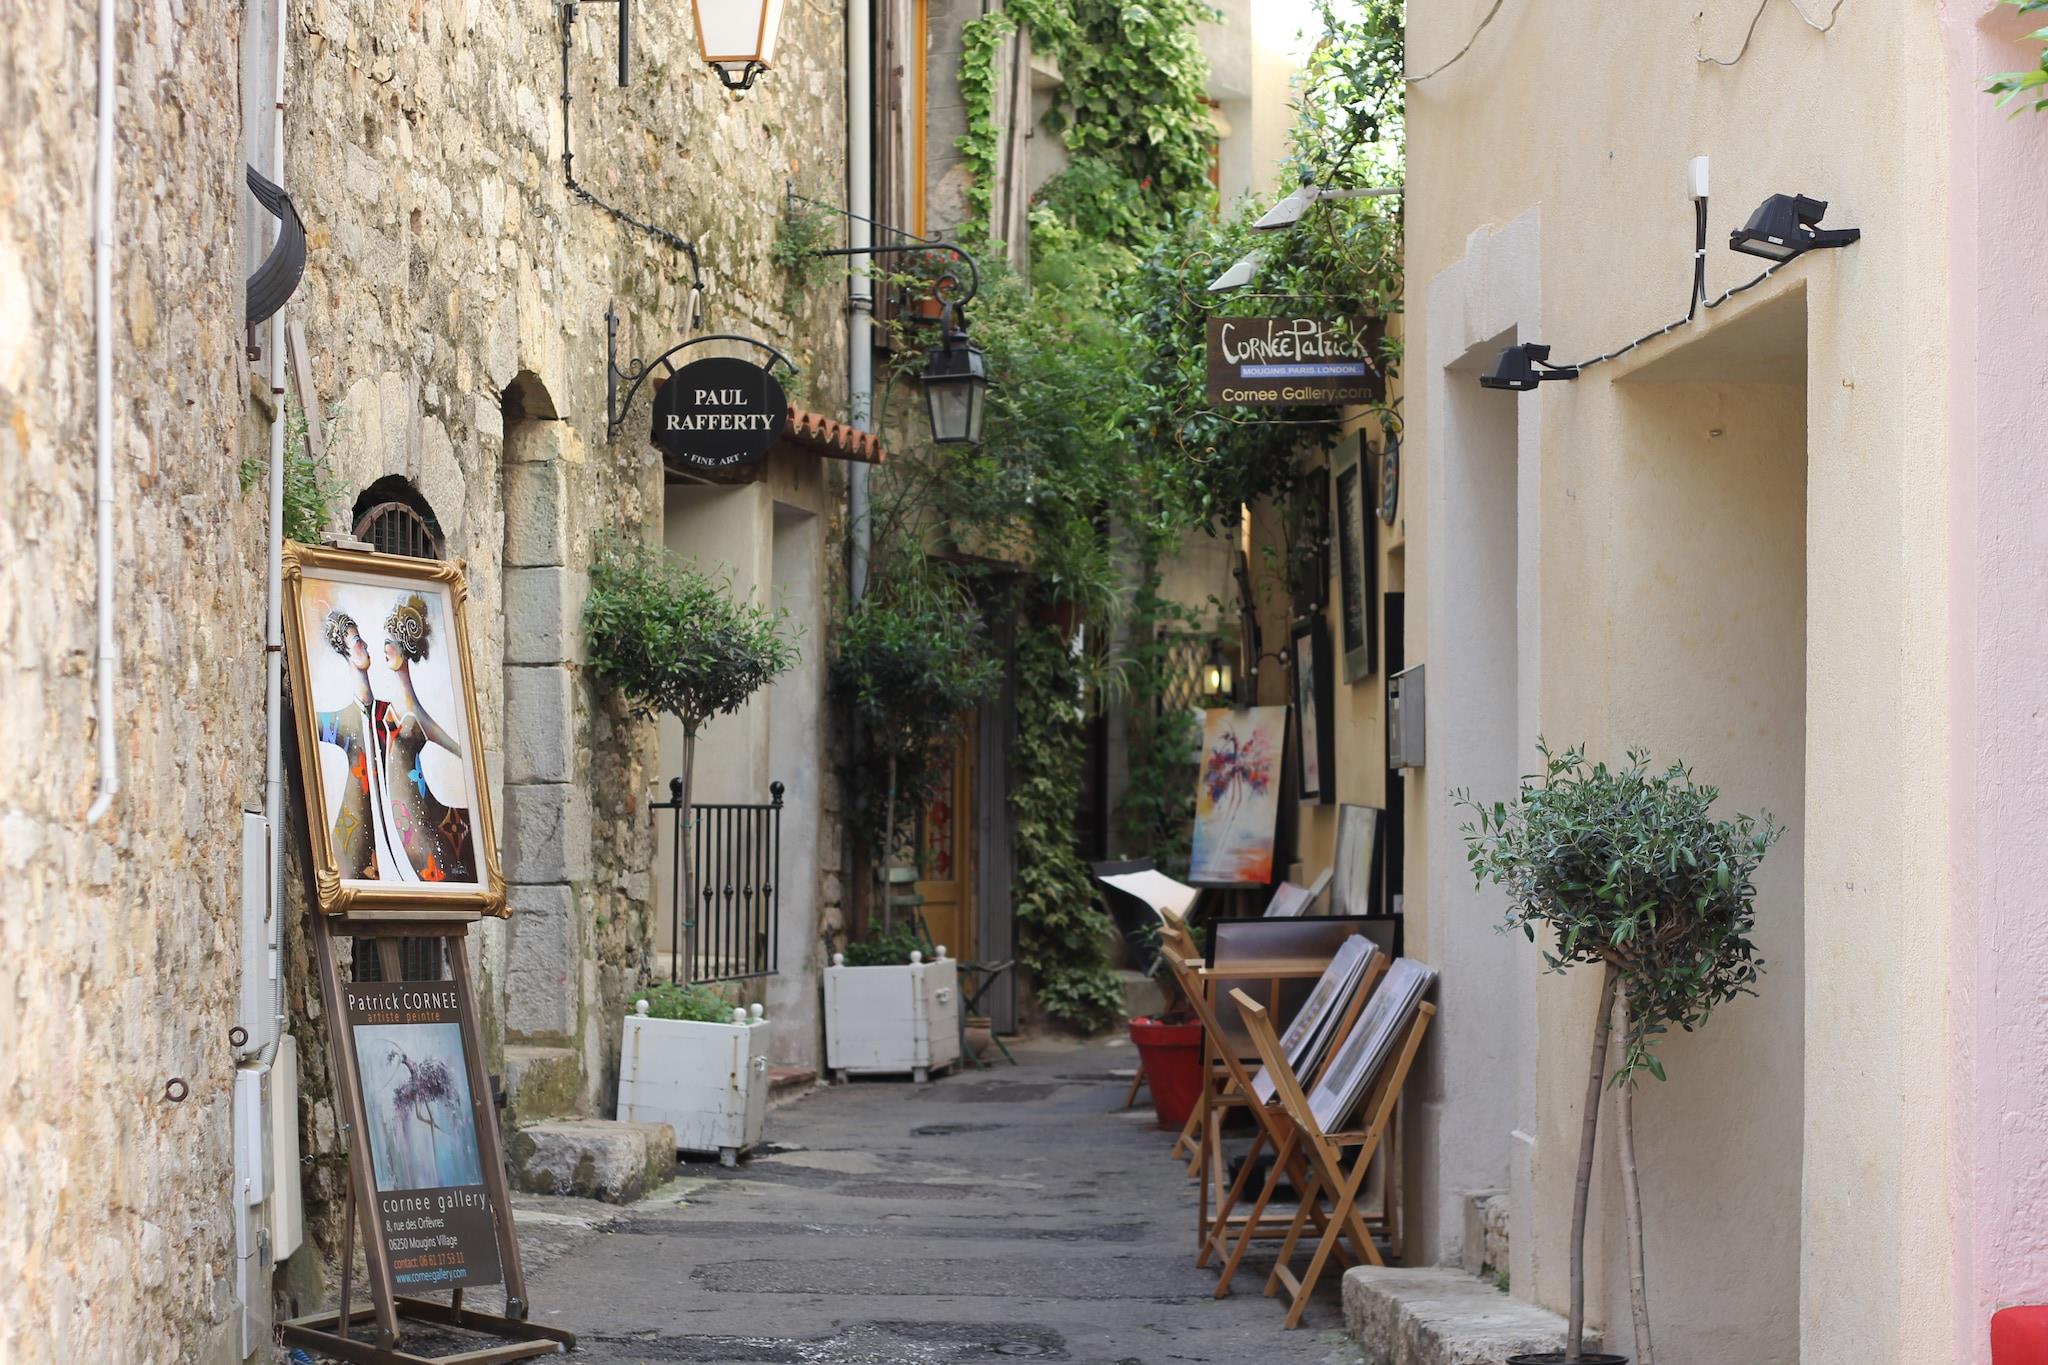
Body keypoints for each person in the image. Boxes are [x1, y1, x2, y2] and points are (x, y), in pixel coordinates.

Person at [315, 596, 475, 883]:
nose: (370, 646)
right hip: (375, 840)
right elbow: (314, 725)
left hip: (412, 832)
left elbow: (448, 744)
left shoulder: (390, 713)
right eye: (357, 641)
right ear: (345, 651)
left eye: (389, 642)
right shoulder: (354, 720)